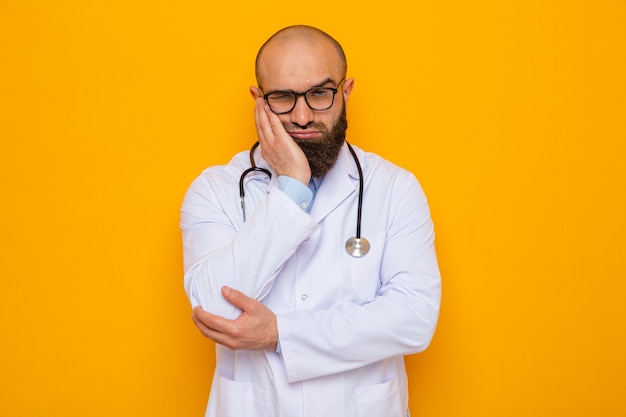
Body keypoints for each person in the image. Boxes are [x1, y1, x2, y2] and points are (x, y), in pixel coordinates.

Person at [180, 25, 441, 417]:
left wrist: (279, 334)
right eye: (283, 97)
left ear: (346, 92)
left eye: (320, 93)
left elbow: (414, 317)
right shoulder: (214, 190)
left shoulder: (395, 189)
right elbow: (215, 310)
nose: (302, 116)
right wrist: (291, 186)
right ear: (259, 100)